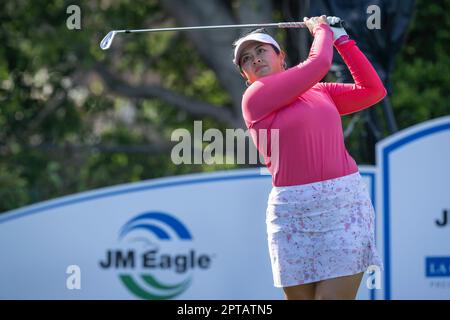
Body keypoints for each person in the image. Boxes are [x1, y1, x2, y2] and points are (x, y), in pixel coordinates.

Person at [232, 15, 385, 300]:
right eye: (246, 59)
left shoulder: (319, 91)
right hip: (292, 211)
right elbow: (319, 63)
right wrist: (322, 30)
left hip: (343, 203)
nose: (254, 59)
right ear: (245, 76)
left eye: (261, 50)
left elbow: (373, 90)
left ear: (281, 57)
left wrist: (341, 39)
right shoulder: (254, 98)